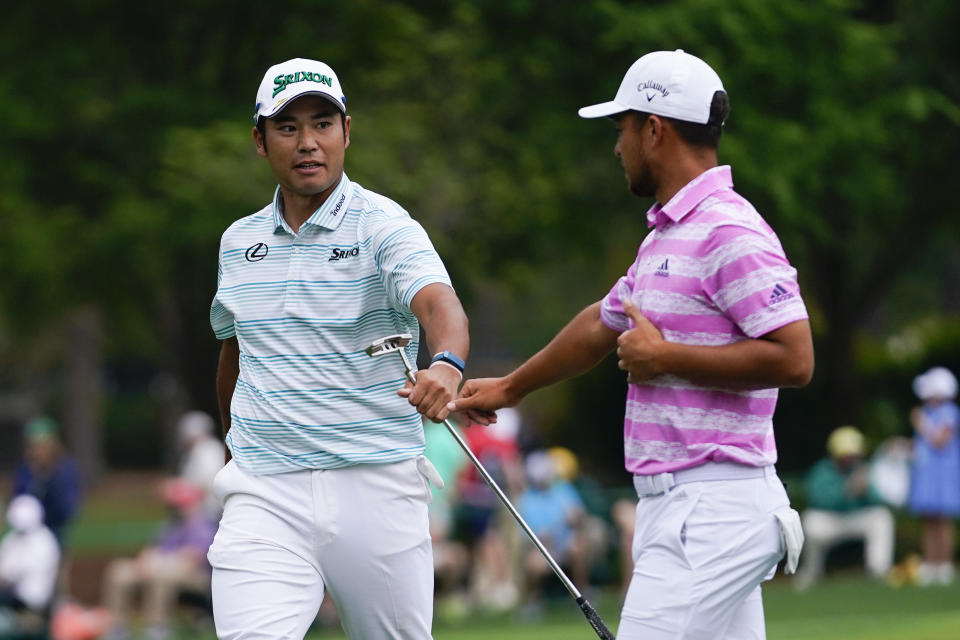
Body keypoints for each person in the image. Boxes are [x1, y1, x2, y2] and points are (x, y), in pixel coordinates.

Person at [450, 49, 814, 639]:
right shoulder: (667, 235)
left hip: (713, 511)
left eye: (621, 129)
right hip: (681, 509)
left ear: (654, 129)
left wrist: (668, 359)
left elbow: (795, 359)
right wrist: (512, 388)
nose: (616, 147)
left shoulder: (729, 229)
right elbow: (602, 322)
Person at [208, 57, 470, 640]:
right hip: (264, 490)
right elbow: (235, 347)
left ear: (347, 132)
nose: (307, 142)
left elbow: (439, 306)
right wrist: (234, 447)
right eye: (287, 127)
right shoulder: (237, 242)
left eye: (322, 124)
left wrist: (447, 364)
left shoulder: (385, 226)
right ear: (260, 140)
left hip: (374, 480)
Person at [101, 479, 217, 640]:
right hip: (159, 568)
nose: (174, 507)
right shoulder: (171, 524)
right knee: (119, 570)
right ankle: (117, 627)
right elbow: (151, 549)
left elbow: (193, 559)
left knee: (162, 576)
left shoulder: (203, 524)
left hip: (194, 577)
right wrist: (145, 563)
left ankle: (157, 628)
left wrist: (159, 564)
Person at [793, 426, 894, 590]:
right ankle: (811, 572)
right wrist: (847, 491)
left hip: (856, 519)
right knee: (810, 521)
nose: (851, 459)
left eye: (854, 455)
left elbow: (877, 501)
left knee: (881, 517)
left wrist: (866, 490)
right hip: (830, 521)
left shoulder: (862, 469)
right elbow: (820, 500)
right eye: (847, 455)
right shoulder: (822, 471)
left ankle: (879, 571)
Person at [906, 366, 960, 586]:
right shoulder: (928, 412)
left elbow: (940, 441)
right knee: (928, 520)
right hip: (927, 473)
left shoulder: (948, 412)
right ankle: (930, 563)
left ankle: (944, 564)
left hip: (943, 474)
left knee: (943, 520)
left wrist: (921, 424)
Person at [11, 417, 82, 545]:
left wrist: (50, 477)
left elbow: (67, 509)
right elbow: (19, 501)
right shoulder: (24, 470)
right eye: (35, 445)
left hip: (56, 530)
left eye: (43, 445)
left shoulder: (65, 469)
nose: (39, 451)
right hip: (27, 532)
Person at [0, 495, 61, 636]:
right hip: (13, 597)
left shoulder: (42, 541)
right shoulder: (15, 538)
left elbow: (9, 574)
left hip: (28, 604)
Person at [174, 411, 225, 520]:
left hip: (210, 511)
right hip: (198, 510)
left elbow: (209, 482)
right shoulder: (195, 452)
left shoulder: (209, 450)